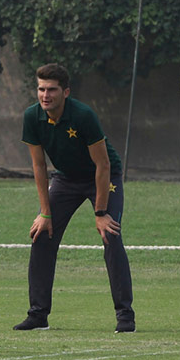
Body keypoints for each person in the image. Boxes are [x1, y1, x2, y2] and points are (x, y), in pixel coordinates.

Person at [14, 63, 135, 333]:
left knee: (110, 236)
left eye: (52, 90)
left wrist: (101, 213)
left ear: (65, 92)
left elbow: (103, 166)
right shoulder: (32, 117)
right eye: (41, 89)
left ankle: (125, 316)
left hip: (103, 177)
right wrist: (45, 213)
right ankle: (38, 315)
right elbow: (39, 167)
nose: (46, 95)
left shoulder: (83, 116)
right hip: (66, 179)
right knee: (41, 235)